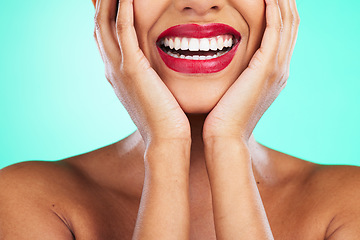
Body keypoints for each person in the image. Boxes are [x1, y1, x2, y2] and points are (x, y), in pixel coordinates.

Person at [0, 0, 359, 239]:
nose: (200, 3)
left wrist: (229, 146)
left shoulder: (347, 202)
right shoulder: (24, 200)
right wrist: (166, 146)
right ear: (107, 7)